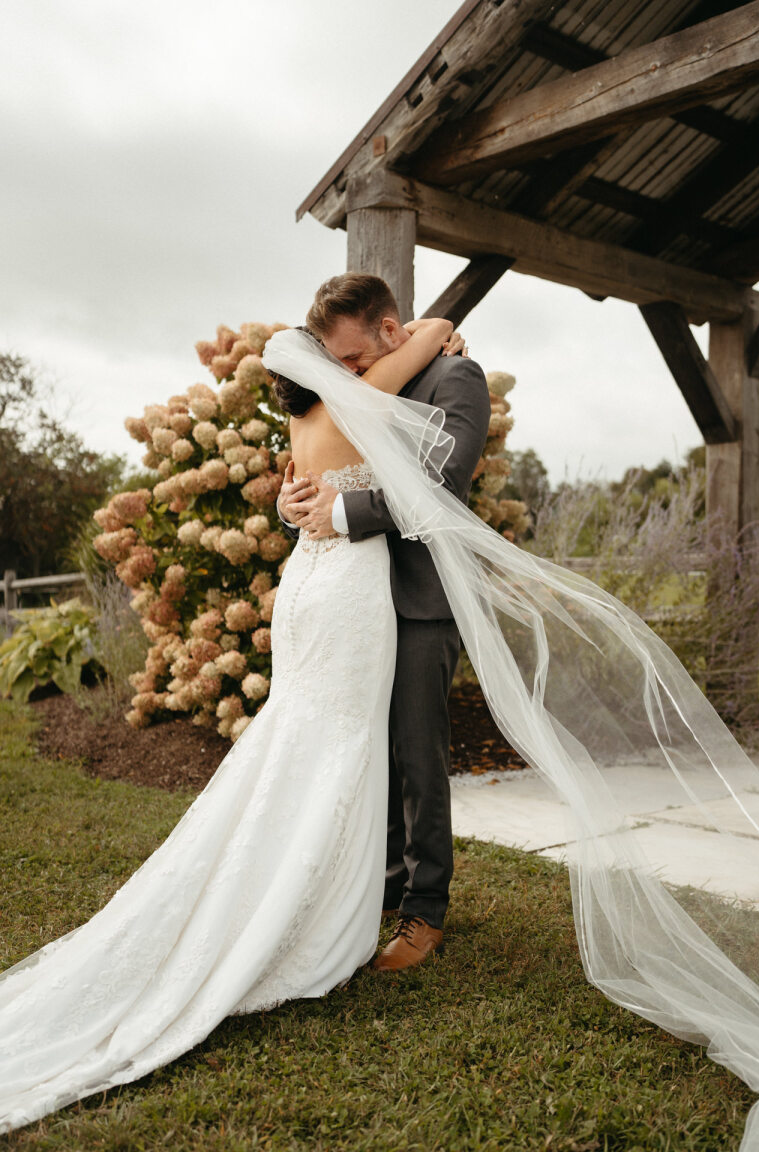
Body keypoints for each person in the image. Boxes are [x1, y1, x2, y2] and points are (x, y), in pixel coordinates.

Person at [0, 311, 465, 1134]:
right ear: (324, 366)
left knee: (321, 743)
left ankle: (371, 893)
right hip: (346, 594)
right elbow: (418, 347)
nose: (353, 366)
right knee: (342, 747)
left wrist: (303, 501)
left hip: (321, 590)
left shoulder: (311, 412)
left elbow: (429, 477)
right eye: (341, 358)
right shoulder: (351, 398)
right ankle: (327, 904)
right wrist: (439, 326)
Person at [277, 274, 490, 972]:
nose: (344, 377)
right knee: (367, 752)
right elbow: (324, 461)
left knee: (418, 759)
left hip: (421, 600)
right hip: (352, 602)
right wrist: (299, 501)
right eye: (334, 364)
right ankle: (380, 888)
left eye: (353, 361)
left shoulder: (457, 378)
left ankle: (424, 913)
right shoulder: (363, 387)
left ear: (391, 333)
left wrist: (342, 515)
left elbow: (440, 489)